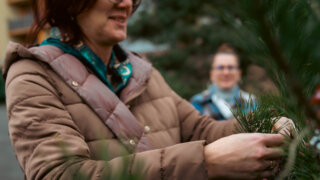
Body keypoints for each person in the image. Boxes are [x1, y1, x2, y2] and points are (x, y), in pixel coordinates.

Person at [3, 0, 293, 179]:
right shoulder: (32, 75)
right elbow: (62, 175)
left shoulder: (143, 72)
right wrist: (206, 162)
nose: (126, 3)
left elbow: (201, 129)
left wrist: (265, 126)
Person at [190, 44, 255, 120]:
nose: (226, 72)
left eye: (231, 67)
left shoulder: (251, 102)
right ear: (212, 73)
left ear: (239, 73)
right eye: (220, 67)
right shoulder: (198, 102)